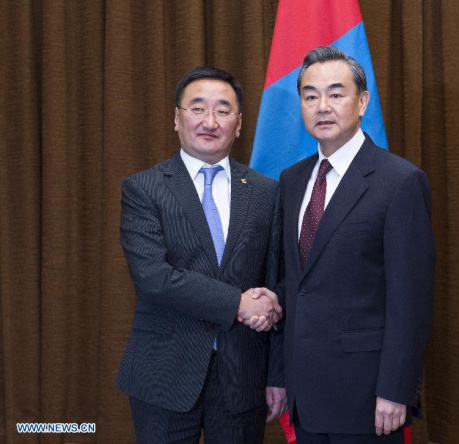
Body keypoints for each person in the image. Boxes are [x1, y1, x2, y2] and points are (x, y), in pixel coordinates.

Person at [116, 66, 287, 444]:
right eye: (197, 109)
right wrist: (237, 304)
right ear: (177, 119)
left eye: (223, 111)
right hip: (163, 375)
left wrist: (277, 376)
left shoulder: (266, 192)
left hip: (243, 377)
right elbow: (153, 278)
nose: (210, 121)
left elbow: (277, 283)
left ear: (239, 124)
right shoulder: (143, 189)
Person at [277, 46, 435, 443]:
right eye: (310, 96)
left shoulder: (399, 181)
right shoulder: (292, 181)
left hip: (367, 398)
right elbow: (295, 284)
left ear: (362, 101)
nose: (322, 106)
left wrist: (396, 389)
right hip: (304, 395)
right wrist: (278, 375)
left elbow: (410, 300)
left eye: (336, 93)